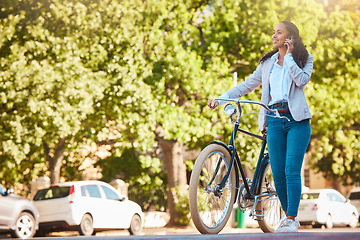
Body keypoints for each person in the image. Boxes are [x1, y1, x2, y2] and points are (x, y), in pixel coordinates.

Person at [208, 20, 313, 233]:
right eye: (273, 32)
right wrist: (221, 98)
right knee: (278, 172)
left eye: (279, 32)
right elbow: (248, 85)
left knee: (291, 170)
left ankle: (291, 218)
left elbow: (302, 81)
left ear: (290, 37)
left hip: (297, 122)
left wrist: (290, 57)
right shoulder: (268, 63)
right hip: (273, 119)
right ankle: (286, 217)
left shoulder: (304, 59)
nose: (274, 36)